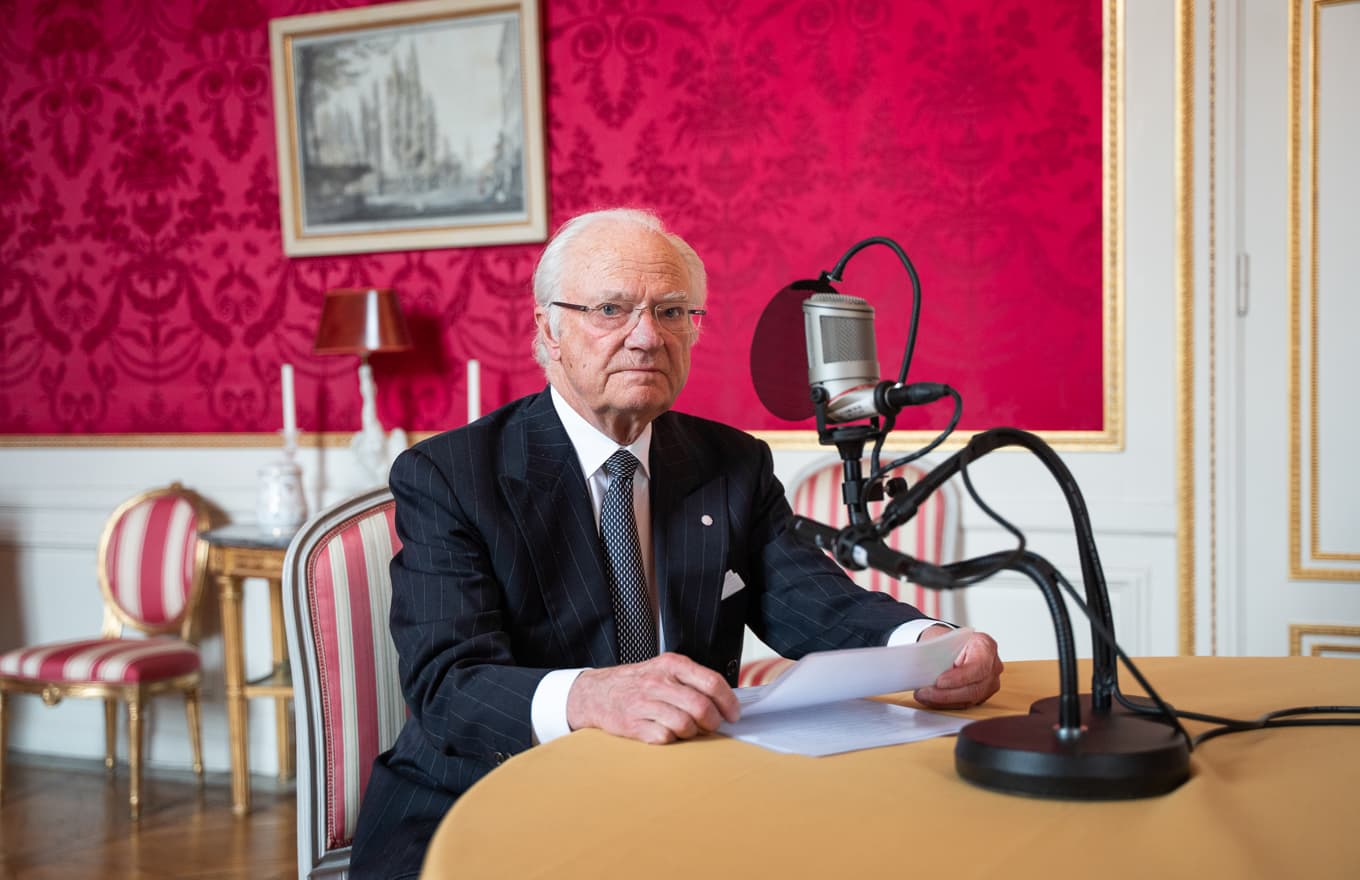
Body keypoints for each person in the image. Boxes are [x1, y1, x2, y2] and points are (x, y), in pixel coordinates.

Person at [350, 208, 1003, 878]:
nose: (646, 338)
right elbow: (448, 682)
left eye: (670, 312)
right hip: (479, 799)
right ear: (549, 330)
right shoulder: (453, 475)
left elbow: (811, 599)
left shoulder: (732, 462)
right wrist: (592, 697)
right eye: (611, 310)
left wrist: (929, 644)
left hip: (678, 793)